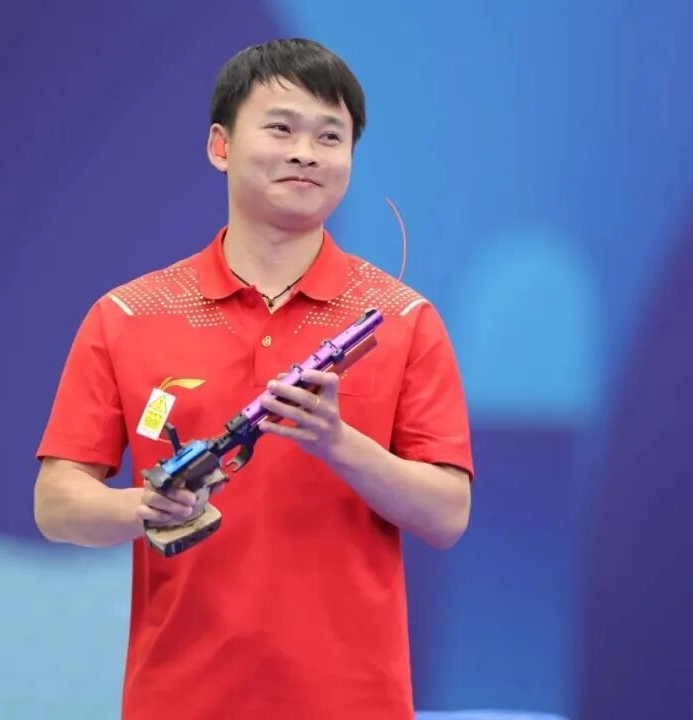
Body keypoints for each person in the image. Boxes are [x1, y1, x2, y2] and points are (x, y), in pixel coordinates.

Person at [34, 38, 473, 720]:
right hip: (177, 700)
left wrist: (337, 443)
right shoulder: (127, 314)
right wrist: (145, 509)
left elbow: (447, 516)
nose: (306, 153)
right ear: (220, 146)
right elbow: (57, 503)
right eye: (280, 128)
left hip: (354, 703)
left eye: (330, 136)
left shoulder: (402, 320)